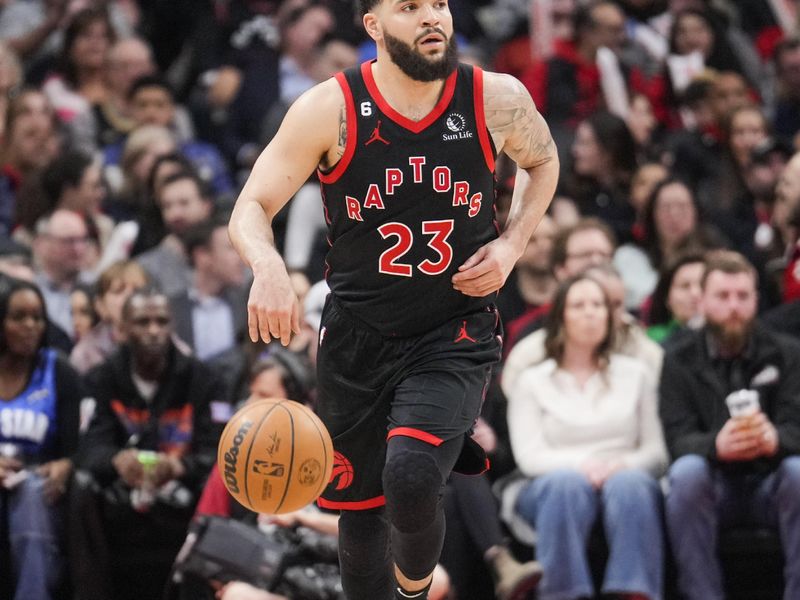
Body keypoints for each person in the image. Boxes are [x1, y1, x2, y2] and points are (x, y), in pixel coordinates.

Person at [227, 0, 560, 598]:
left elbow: (543, 161)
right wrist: (268, 265)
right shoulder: (330, 107)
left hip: (452, 328)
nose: (433, 17)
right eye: (410, 6)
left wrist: (511, 246)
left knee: (408, 473)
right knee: (360, 518)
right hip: (357, 334)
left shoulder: (494, 96)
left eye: (439, 3)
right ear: (373, 25)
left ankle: (415, 591)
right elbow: (251, 206)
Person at [504, 274, 668, 600]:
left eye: (598, 305)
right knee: (567, 484)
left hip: (624, 474)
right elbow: (529, 456)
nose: (590, 313)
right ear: (560, 316)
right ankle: (563, 593)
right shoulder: (533, 380)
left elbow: (657, 452)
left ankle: (634, 592)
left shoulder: (636, 373)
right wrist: (583, 465)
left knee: (630, 484)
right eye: (579, 305)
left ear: (611, 316)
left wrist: (619, 465)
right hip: (547, 483)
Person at [660, 250, 800, 600]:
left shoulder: (787, 353)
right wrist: (716, 446)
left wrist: (776, 438)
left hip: (771, 482)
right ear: (702, 301)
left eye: (743, 296)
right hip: (714, 485)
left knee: (799, 473)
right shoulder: (677, 358)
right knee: (687, 473)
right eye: (723, 296)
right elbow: (677, 440)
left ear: (756, 299)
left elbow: (797, 425)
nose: (734, 306)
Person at [70, 286, 226, 600]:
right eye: (143, 322)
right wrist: (116, 460)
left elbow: (221, 451)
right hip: (120, 506)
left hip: (183, 502)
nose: (154, 331)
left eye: (161, 321)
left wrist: (179, 466)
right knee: (80, 485)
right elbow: (87, 448)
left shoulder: (205, 380)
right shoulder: (101, 378)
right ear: (123, 329)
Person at [0, 277, 85, 600]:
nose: (30, 326)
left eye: (37, 317)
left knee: (32, 493)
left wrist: (67, 463)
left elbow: (80, 444)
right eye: (19, 317)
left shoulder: (57, 370)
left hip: (37, 486)